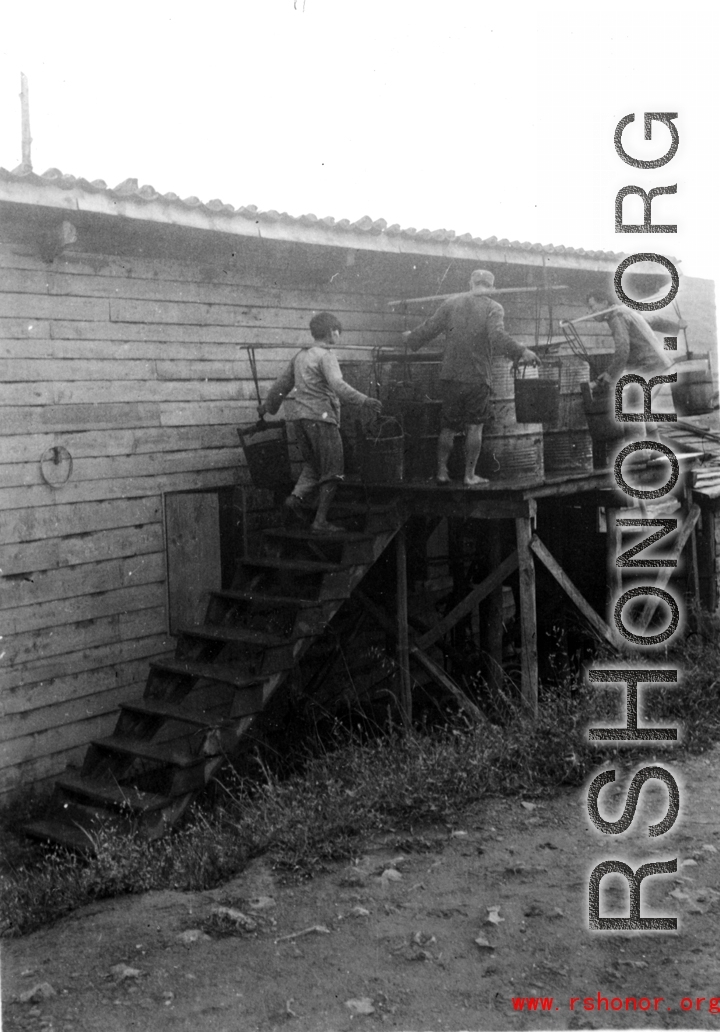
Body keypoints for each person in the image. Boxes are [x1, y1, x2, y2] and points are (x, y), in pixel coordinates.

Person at [402, 269, 538, 486]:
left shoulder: (451, 303)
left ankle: (441, 472)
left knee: (448, 426)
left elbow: (430, 327)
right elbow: (497, 336)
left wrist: (412, 338)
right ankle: (469, 475)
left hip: (451, 376)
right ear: (491, 287)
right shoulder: (494, 308)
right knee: (475, 426)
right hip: (477, 377)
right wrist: (522, 351)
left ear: (470, 283)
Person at [258, 311, 382, 533]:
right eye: (337, 331)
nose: (338, 335)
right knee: (333, 470)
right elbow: (338, 385)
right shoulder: (326, 356)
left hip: (300, 420)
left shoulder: (301, 355)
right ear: (329, 332)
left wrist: (268, 408)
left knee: (313, 466)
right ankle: (320, 521)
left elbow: (281, 386)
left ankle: (294, 500)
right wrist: (365, 400)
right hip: (322, 420)